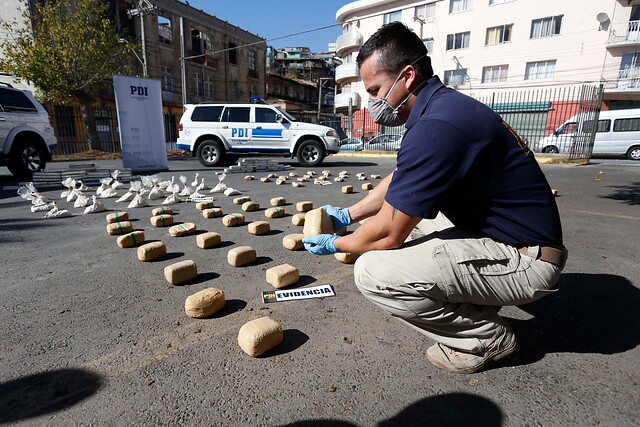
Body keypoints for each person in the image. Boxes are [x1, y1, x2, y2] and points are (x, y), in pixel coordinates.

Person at [302, 22, 567, 374]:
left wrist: (337, 244)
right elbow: (403, 179)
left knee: (371, 270)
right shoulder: (440, 109)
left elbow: (387, 234)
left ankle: (485, 337)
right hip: (511, 239)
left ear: (407, 76)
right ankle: (475, 300)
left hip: (529, 261)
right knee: (410, 222)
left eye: (375, 89)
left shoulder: (438, 127)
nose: (372, 103)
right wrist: (348, 216)